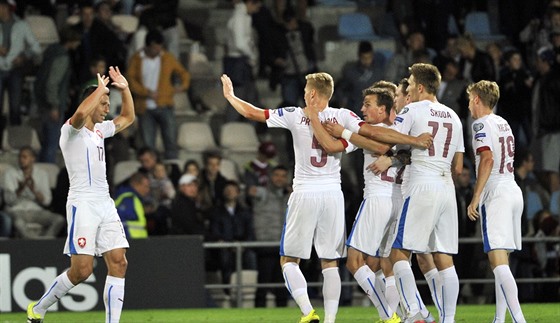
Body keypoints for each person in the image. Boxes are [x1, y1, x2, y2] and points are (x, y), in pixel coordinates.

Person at [221, 72, 431, 323]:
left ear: (311, 94)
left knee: (289, 260)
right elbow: (374, 134)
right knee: (330, 263)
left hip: (305, 192)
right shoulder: (344, 116)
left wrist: (230, 96)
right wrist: (413, 141)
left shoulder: (294, 114)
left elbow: (253, 113)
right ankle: (331, 320)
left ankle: (308, 312)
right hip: (333, 194)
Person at [26, 66, 135, 323]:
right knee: (81, 272)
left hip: (104, 203)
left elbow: (128, 118)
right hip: (82, 204)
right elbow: (78, 115)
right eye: (104, 103)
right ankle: (38, 309)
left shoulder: (101, 130)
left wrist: (126, 88)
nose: (108, 108)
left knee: (119, 262)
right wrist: (99, 90)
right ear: (93, 101)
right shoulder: (69, 132)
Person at [375, 63, 463, 323]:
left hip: (422, 184)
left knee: (398, 254)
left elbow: (391, 138)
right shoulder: (453, 115)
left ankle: (414, 313)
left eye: (411, 84)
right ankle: (448, 319)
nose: (409, 88)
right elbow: (458, 167)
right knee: (444, 258)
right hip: (447, 188)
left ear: (421, 87)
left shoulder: (412, 109)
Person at [466, 80, 527, 323]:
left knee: (497, 261)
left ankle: (519, 319)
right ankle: (499, 319)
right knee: (502, 262)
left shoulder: (480, 123)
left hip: (497, 192)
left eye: (470, 99)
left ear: (478, 99)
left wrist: (476, 196)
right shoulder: (503, 122)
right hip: (512, 188)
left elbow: (488, 159)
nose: (469, 104)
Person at [127, 28, 191, 160]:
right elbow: (131, 81)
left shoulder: (167, 58)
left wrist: (182, 86)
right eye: (155, 48)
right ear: (148, 46)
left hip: (165, 105)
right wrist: (146, 93)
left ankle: (172, 168)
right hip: (144, 108)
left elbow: (184, 73)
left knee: (171, 140)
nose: (158, 51)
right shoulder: (136, 59)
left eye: (160, 48)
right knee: (148, 145)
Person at [34, 27, 82, 163]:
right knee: (51, 143)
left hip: (42, 102)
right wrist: (54, 105)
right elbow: (52, 83)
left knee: (45, 142)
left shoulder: (51, 51)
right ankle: (47, 169)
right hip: (51, 105)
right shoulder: (62, 57)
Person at [2, 146, 65, 239]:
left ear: (32, 159)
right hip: (16, 210)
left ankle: (45, 241)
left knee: (59, 220)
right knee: (18, 223)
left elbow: (47, 201)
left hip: (36, 210)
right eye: (20, 157)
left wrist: (34, 191)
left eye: (24, 157)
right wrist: (20, 190)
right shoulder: (10, 173)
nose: (21, 160)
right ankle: (33, 243)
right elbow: (8, 201)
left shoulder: (42, 174)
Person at [250, 165, 291, 308]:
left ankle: (283, 315)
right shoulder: (262, 193)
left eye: (283, 175)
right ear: (270, 177)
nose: (279, 178)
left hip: (283, 247)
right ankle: (257, 315)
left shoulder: (289, 196)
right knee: (263, 284)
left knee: (283, 285)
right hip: (265, 244)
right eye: (276, 175)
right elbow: (249, 193)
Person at [0, 0, 41, 126]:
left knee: (15, 107)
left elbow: (36, 47)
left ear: (8, 8)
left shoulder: (21, 25)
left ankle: (15, 139)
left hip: (15, 69)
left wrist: (23, 57)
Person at [223, 0, 262, 122]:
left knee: (250, 99)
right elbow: (240, 43)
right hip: (238, 62)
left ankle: (249, 132)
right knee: (238, 99)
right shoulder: (239, 17)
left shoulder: (243, 16)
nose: (258, 8)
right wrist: (252, 56)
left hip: (242, 61)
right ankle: (229, 131)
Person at [114, 172, 150, 239]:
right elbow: (122, 223)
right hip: (131, 243)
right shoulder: (128, 199)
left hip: (136, 243)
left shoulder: (134, 198)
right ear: (136, 184)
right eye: (145, 186)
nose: (147, 190)